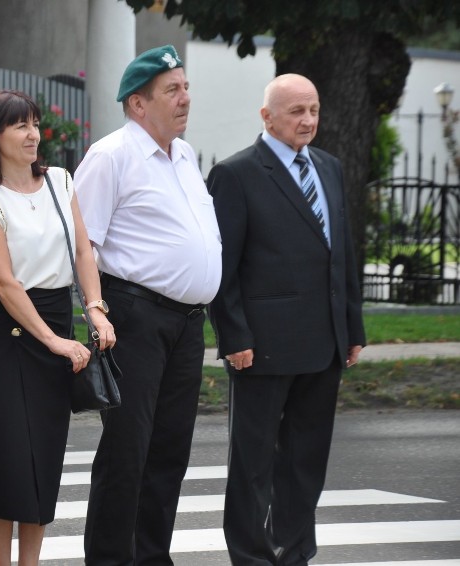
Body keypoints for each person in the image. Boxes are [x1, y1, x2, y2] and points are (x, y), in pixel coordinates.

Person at [206, 73, 366, 565]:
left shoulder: (330, 167)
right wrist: (233, 334)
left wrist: (352, 327)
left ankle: (296, 553)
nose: (308, 120)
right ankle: (251, 557)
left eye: (313, 109)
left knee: (305, 463)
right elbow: (222, 267)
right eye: (296, 111)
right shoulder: (236, 174)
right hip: (261, 347)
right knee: (252, 465)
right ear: (267, 117)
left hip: (324, 345)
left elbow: (342, 251)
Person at [74, 45, 222, 564]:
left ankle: (152, 556)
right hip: (134, 317)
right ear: (138, 104)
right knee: (127, 450)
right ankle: (112, 558)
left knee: (169, 451)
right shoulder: (111, 155)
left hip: (185, 324)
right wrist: (94, 308)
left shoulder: (183, 155)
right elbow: (83, 243)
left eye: (185, 86)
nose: (185, 98)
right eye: (171, 90)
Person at [0, 89, 116, 566]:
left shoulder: (61, 182)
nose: (34, 134)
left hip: (54, 317)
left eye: (34, 123)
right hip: (5, 335)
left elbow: (84, 250)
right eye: (20, 126)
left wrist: (94, 307)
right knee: (6, 457)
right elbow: (5, 284)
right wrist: (54, 341)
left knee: (43, 456)